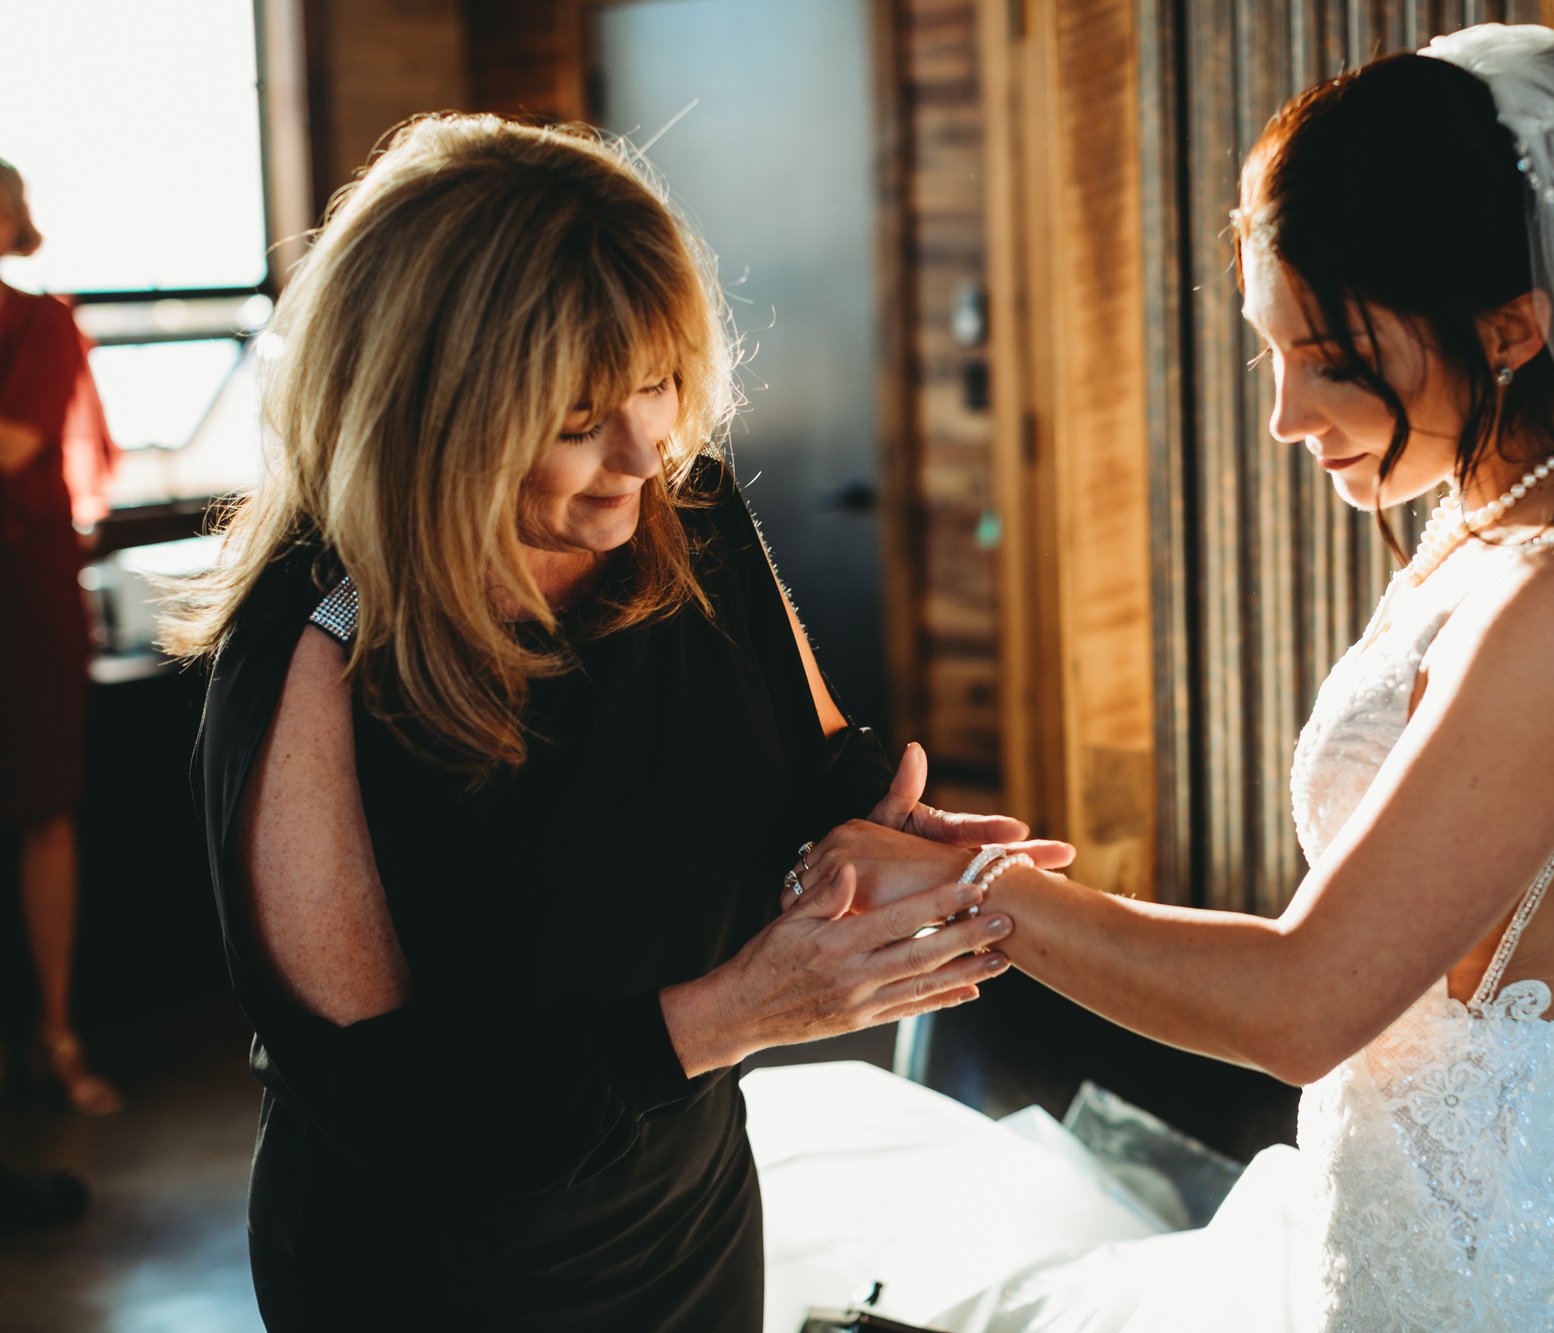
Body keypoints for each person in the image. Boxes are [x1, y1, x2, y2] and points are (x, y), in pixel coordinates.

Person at [799, 25, 1554, 1331]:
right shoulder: (1496, 517)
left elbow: (1307, 1003)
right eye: (1272, 349)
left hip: (1502, 1266)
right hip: (1421, 1199)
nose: (1285, 418)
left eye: (1333, 362)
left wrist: (980, 890)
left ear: (1513, 327)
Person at [162, 115, 1065, 1331]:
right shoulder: (318, 645)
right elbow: (394, 1107)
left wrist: (873, 833)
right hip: (440, 1273)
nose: (646, 447)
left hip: (680, 1215)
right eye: (579, 415)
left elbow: (803, 769)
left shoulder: (677, 510)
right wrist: (735, 1011)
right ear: (431, 415)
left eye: (657, 379)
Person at [0, 156, 123, 1117]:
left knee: (45, 808)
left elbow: (14, 445)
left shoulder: (41, 322)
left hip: (23, 597)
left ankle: (55, 1032)